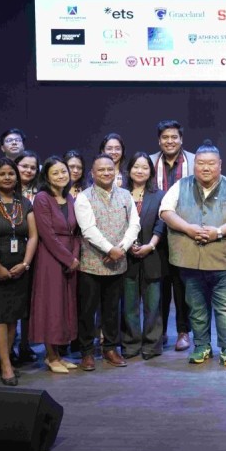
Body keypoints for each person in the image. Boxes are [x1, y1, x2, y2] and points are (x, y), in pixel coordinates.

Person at [159, 141, 226, 370]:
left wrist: (218, 232)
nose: (206, 168)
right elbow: (166, 211)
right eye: (201, 163)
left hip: (224, 261)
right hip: (190, 261)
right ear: (194, 165)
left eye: (211, 163)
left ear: (220, 164)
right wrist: (188, 228)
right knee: (196, 307)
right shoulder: (181, 186)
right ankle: (202, 346)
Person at [74, 154, 140, 370]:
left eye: (109, 169)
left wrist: (121, 248)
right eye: (101, 170)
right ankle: (86, 352)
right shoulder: (84, 197)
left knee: (112, 309)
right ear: (92, 174)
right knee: (87, 310)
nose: (106, 173)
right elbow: (88, 229)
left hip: (118, 263)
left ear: (116, 172)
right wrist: (110, 249)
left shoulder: (125, 195)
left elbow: (134, 224)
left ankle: (110, 348)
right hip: (91, 263)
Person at [0, 157, 38, 386]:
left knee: (13, 316)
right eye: (2, 174)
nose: (7, 177)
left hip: (20, 267)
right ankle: (5, 365)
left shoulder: (24, 203)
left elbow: (33, 236)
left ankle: (6, 358)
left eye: (11, 174)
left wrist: (25, 264)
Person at [29, 156, 81, 373]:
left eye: (63, 171)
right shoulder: (42, 198)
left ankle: (58, 355)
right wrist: (68, 258)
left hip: (70, 258)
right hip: (50, 258)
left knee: (65, 306)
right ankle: (50, 357)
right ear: (47, 177)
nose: (61, 176)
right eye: (55, 173)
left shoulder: (69, 198)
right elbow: (47, 234)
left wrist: (75, 256)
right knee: (51, 306)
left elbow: (76, 232)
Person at [149, 120, 196, 351]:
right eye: (165, 137)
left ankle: (183, 331)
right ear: (159, 141)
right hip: (155, 232)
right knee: (159, 285)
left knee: (182, 285)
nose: (170, 141)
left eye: (174, 137)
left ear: (181, 139)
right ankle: (160, 331)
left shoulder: (195, 161)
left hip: (185, 231)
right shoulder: (149, 162)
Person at [123, 152, 167, 359]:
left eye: (144, 167)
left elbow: (162, 223)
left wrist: (151, 245)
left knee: (153, 305)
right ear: (129, 170)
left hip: (152, 255)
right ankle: (130, 344)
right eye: (136, 167)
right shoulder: (121, 194)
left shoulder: (159, 195)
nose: (139, 171)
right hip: (126, 257)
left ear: (151, 171)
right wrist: (127, 245)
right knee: (129, 305)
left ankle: (152, 345)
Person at [14, 150, 41, 363]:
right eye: (24, 166)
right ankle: (9, 347)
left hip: (38, 250)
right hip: (12, 251)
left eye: (33, 167)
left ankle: (25, 344)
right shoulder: (6, 190)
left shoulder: (40, 191)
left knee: (30, 300)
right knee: (13, 300)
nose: (29, 170)